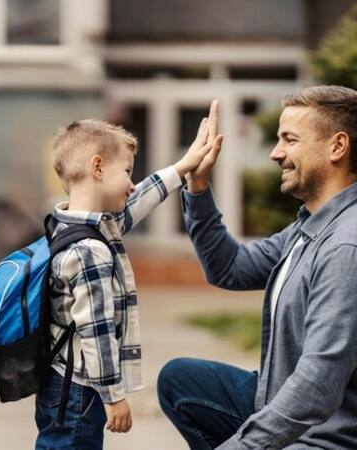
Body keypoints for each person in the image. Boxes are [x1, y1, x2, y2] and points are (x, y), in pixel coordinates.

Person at [158, 86, 357, 449]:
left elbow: (317, 387)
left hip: (337, 439)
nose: (276, 153)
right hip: (294, 412)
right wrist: (197, 189)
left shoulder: (351, 248)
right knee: (180, 381)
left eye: (289, 140)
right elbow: (229, 267)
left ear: (337, 147)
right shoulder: (312, 227)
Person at [35, 118, 222, 449]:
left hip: (60, 382)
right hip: (82, 390)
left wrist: (181, 168)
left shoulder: (67, 225)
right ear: (98, 168)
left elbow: (137, 204)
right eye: (127, 172)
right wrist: (113, 396)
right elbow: (97, 330)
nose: (132, 184)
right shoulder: (90, 250)